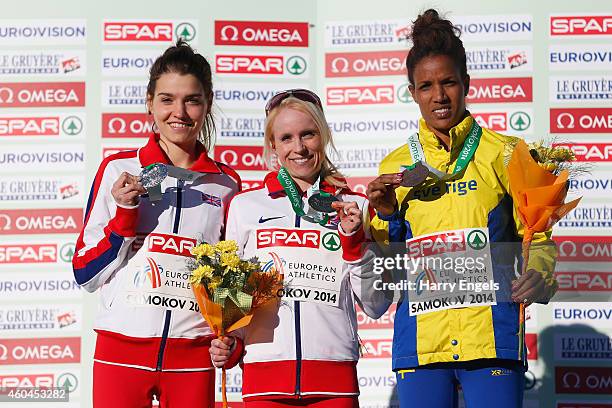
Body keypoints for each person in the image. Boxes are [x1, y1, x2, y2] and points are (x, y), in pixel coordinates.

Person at [366, 9, 557, 408]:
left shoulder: (505, 154)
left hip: (492, 338)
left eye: (449, 82)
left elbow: (536, 236)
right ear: (413, 91)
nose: (439, 96)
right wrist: (383, 217)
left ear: (466, 83)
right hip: (422, 343)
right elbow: (387, 267)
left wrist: (540, 273)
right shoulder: (395, 167)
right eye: (426, 86)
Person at [72, 40, 240, 407]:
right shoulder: (119, 169)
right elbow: (85, 274)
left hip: (193, 356)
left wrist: (233, 337)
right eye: (167, 99)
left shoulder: (226, 184)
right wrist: (125, 216)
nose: (179, 112)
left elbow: (231, 276)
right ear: (149, 101)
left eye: (192, 100)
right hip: (121, 350)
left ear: (207, 102)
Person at [209, 89, 390, 407]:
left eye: (308, 134)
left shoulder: (355, 205)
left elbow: (375, 305)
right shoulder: (245, 206)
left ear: (323, 135)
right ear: (273, 145)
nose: (299, 148)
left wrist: (353, 244)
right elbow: (233, 298)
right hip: (264, 380)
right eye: (287, 138)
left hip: (334, 381)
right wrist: (231, 344)